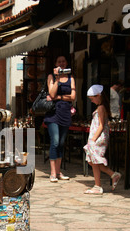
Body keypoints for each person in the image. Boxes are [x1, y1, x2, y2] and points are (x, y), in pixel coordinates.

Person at [83, 84, 122, 195]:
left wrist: (93, 139)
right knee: (92, 161)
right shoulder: (102, 107)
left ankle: (98, 185)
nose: (91, 101)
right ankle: (112, 175)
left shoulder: (101, 108)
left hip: (98, 138)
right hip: (97, 137)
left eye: (92, 99)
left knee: (94, 160)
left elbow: (100, 125)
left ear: (98, 95)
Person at [45, 55, 76, 183]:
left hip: (65, 112)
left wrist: (59, 97)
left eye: (63, 61)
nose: (61, 64)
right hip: (53, 113)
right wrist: (57, 79)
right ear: (55, 64)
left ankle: (58, 172)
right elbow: (51, 93)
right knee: (55, 141)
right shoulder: (51, 77)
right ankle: (52, 173)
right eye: (59, 62)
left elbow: (73, 96)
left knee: (62, 143)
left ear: (67, 63)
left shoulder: (71, 78)